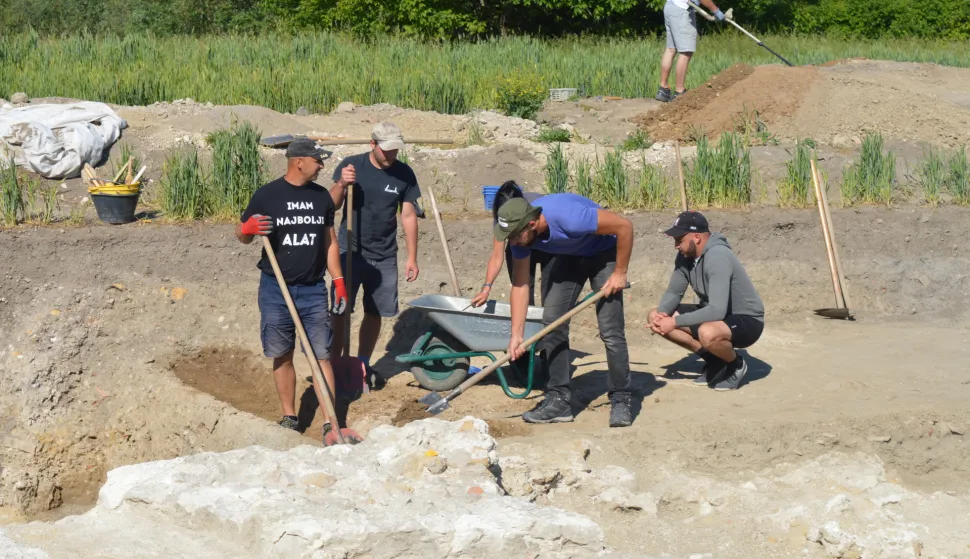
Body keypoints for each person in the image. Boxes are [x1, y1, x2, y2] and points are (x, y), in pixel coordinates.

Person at [236, 138, 351, 445]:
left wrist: (338, 281)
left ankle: (330, 421)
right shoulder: (268, 195)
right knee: (281, 353)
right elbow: (242, 232)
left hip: (313, 289)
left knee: (322, 355)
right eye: (318, 160)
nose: (322, 165)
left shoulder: (322, 198)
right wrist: (247, 230)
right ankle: (290, 416)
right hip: (276, 288)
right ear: (299, 161)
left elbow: (330, 243)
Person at [494, 193, 634, 427]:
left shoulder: (569, 217)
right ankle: (558, 400)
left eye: (516, 237)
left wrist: (620, 272)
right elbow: (520, 285)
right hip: (570, 256)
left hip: (605, 251)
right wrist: (516, 336)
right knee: (552, 323)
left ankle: (621, 398)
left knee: (610, 329)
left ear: (532, 223)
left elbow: (624, 226)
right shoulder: (520, 236)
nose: (514, 243)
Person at [328, 122, 422, 381]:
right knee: (339, 309)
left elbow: (408, 215)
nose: (392, 155)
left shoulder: (405, 174)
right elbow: (332, 206)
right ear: (373, 144)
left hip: (384, 255)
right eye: (387, 150)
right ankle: (335, 363)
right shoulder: (351, 166)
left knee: (375, 311)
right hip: (350, 252)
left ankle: (361, 362)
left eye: (395, 150)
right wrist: (341, 184)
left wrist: (412, 257)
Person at [647, 211, 764, 391]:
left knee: (707, 332)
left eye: (679, 240)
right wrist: (661, 315)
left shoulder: (718, 256)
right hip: (718, 315)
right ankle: (715, 360)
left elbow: (716, 310)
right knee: (654, 314)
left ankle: (736, 364)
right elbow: (673, 292)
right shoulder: (685, 257)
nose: (676, 245)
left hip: (746, 319)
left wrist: (674, 322)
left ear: (696, 237)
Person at [469, 180, 551, 308]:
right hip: (519, 249)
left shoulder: (540, 206)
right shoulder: (502, 217)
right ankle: (528, 324)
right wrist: (486, 288)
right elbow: (497, 256)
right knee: (523, 297)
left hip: (548, 246)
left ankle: (550, 324)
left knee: (552, 299)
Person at [655, 0, 728, 103]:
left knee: (671, 49)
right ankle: (679, 92)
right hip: (681, 10)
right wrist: (716, 10)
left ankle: (663, 89)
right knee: (686, 52)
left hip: (671, 6)